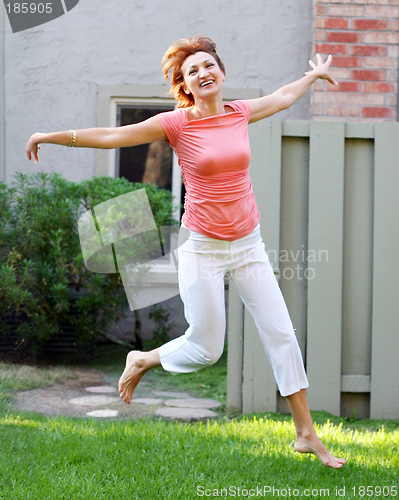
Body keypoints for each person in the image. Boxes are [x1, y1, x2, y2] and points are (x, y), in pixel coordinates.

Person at [25, 35, 345, 468]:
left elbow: (282, 96)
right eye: (192, 71)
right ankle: (143, 358)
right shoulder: (178, 124)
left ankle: (306, 433)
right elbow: (112, 136)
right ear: (186, 86)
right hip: (203, 248)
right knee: (207, 349)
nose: (203, 73)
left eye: (208, 65)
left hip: (248, 244)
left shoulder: (239, 112)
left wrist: (312, 75)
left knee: (282, 333)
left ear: (221, 72)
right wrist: (52, 136)